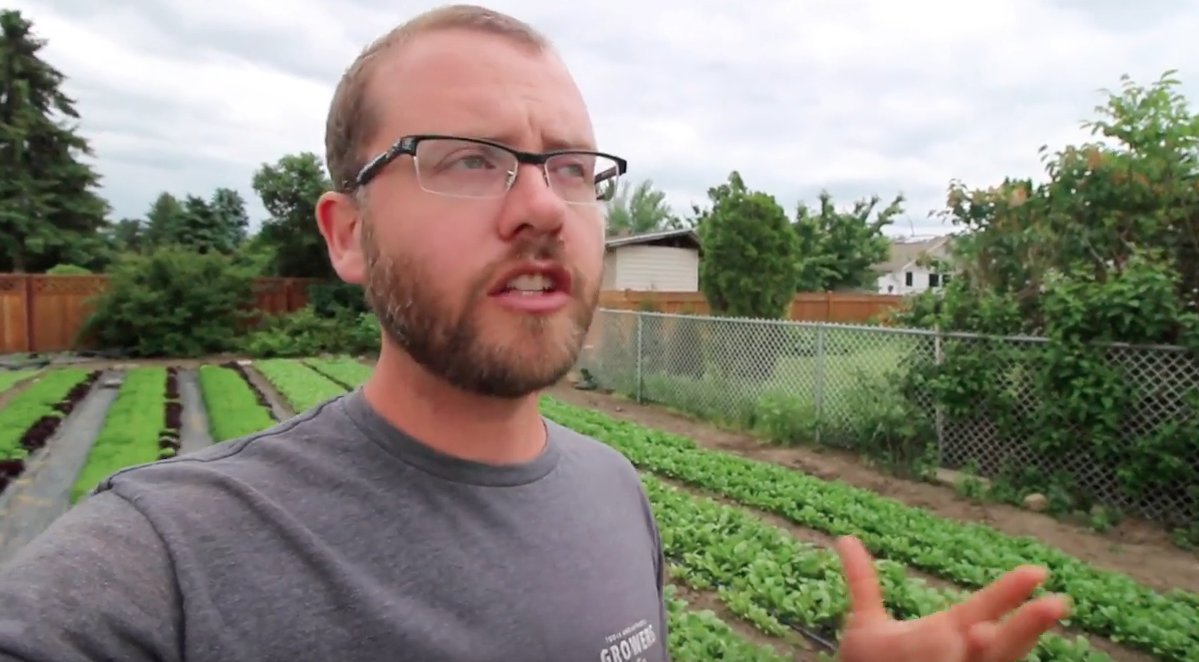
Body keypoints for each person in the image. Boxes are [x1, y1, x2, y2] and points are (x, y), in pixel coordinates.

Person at [0, 5, 1068, 662]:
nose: (542, 205)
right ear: (347, 233)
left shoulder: (615, 493)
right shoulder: (166, 558)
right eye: (466, 157)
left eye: (569, 165)